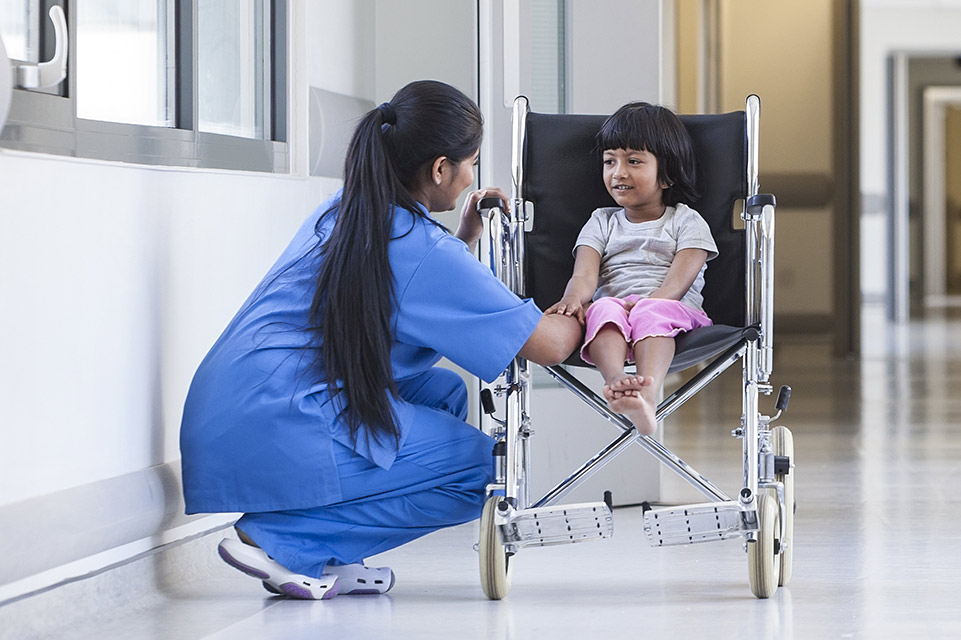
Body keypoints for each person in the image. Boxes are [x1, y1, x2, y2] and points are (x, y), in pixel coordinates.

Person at [179, 80, 581, 600]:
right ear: (440, 169)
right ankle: (282, 538)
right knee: (484, 473)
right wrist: (595, 298)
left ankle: (328, 549)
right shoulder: (422, 251)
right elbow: (549, 344)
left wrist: (462, 240)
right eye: (471, 163)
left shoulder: (346, 210)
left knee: (443, 393)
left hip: (234, 407)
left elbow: (396, 291)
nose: (471, 177)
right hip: (284, 419)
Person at [546, 102, 718, 437]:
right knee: (601, 308)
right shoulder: (601, 221)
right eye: (610, 161)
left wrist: (643, 303)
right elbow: (584, 275)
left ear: (666, 174)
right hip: (617, 311)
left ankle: (647, 395)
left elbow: (677, 284)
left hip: (671, 311)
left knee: (652, 311)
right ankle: (618, 384)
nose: (618, 172)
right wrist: (573, 299)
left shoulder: (686, 221)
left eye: (634, 161)